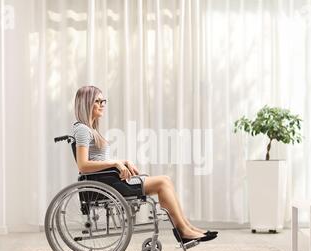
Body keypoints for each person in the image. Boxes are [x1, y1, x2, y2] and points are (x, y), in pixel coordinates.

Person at [72, 85, 217, 242]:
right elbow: (83, 165)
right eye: (97, 101)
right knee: (162, 182)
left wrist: (123, 161)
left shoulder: (90, 129)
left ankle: (188, 228)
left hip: (108, 180)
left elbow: (97, 160)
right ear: (86, 103)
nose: (102, 104)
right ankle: (183, 231)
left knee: (165, 180)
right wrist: (116, 163)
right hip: (105, 184)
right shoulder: (82, 130)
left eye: (103, 101)